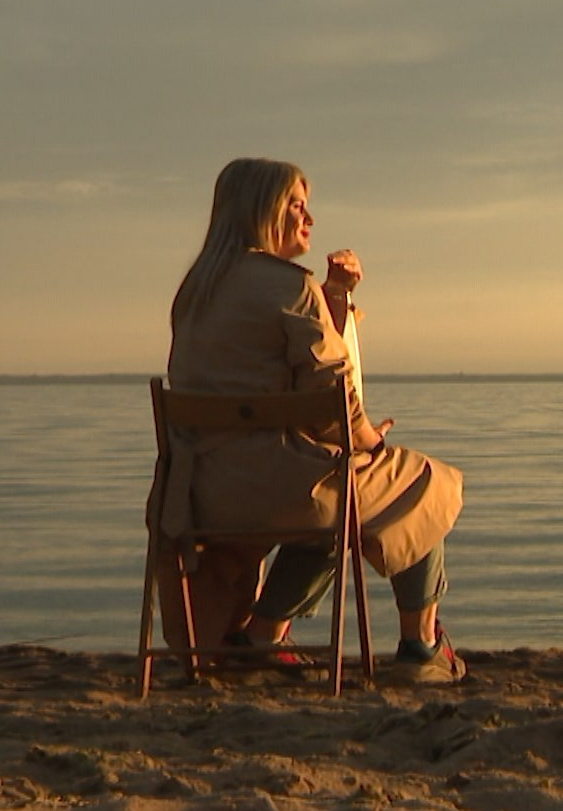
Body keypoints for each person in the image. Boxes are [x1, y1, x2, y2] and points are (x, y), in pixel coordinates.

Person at [158, 157, 467, 684]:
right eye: (297, 205)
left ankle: (261, 639)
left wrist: (337, 298)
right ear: (265, 211)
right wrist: (371, 442)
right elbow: (333, 398)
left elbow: (256, 382)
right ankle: (422, 646)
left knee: (335, 500)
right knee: (424, 481)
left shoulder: (196, 291)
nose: (310, 218)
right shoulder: (289, 286)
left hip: (201, 491)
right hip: (282, 487)